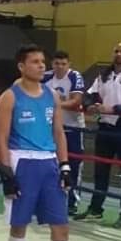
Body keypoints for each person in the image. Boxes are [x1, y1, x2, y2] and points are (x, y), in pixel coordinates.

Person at [0, 44, 97, 241]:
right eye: (35, 62)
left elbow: (59, 133)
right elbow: (1, 138)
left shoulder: (51, 95)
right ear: (21, 66)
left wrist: (65, 165)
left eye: (43, 62)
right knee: (19, 225)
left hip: (49, 165)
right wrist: (6, 173)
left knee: (61, 225)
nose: (42, 66)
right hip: (21, 162)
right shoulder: (10, 96)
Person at [75, 42, 121, 229]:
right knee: (100, 171)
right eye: (116, 51)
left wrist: (112, 109)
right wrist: (90, 105)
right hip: (105, 128)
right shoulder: (103, 75)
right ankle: (96, 209)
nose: (119, 54)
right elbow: (88, 95)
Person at [41, 50, 86, 216]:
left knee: (73, 164)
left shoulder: (74, 76)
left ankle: (72, 201)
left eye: (63, 64)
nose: (60, 67)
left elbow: (76, 101)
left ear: (69, 64)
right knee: (50, 164)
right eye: (57, 63)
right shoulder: (46, 77)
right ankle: (50, 199)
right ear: (52, 64)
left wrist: (54, 104)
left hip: (72, 126)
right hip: (50, 127)